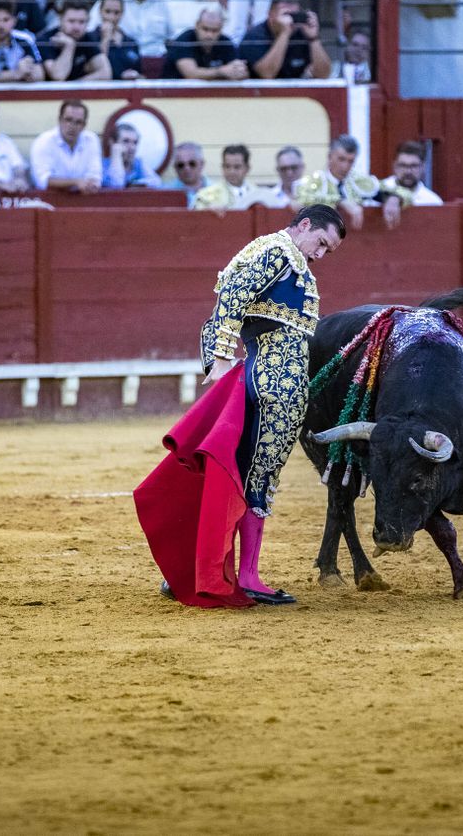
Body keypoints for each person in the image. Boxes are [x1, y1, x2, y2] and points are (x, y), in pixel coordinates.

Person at [136, 204, 346, 608]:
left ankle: (207, 568)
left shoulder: (289, 258)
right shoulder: (277, 251)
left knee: (245, 474)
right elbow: (231, 294)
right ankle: (244, 574)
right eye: (321, 243)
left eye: (328, 251)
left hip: (275, 379)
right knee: (253, 476)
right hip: (270, 382)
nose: (320, 254)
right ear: (304, 225)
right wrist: (217, 359)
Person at [294, 134, 412, 230]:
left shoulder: (360, 181)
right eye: (341, 159)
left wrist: (394, 198)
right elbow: (301, 200)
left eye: (350, 161)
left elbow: (406, 193)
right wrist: (340, 202)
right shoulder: (315, 180)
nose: (345, 166)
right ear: (330, 157)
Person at [239, 0, 331, 80]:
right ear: (270, 15)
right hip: (259, 95)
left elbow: (323, 75)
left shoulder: (301, 34)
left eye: (294, 15)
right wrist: (284, 34)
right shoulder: (255, 36)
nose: (290, 20)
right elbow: (267, 74)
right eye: (286, 15)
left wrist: (313, 39)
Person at [29, 99, 102, 194]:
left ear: (84, 125)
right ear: (60, 120)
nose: (72, 126)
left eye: (78, 122)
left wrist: (91, 184)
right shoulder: (44, 141)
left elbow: (95, 176)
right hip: (50, 201)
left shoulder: (91, 140)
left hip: (84, 199)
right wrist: (75, 182)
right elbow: (42, 180)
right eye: (68, 120)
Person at [36, 0, 109, 82]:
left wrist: (76, 86)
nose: (76, 27)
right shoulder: (45, 39)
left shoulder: (87, 38)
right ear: (60, 20)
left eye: (81, 22)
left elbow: (105, 73)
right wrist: (69, 46)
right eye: (71, 21)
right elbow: (58, 76)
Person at [166, 6, 247, 81]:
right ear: (197, 25)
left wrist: (239, 71)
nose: (209, 35)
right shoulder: (184, 40)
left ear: (221, 28)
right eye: (205, 29)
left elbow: (242, 72)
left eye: (214, 30)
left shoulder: (225, 42)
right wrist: (221, 71)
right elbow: (191, 74)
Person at [194, 144, 265, 211]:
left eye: (237, 167)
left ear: (247, 168)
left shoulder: (258, 194)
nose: (231, 171)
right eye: (227, 166)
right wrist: (208, 211)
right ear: (222, 167)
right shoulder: (207, 195)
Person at [91, 0, 142, 80]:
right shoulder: (89, 38)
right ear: (100, 11)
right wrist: (105, 39)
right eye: (107, 11)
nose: (111, 17)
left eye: (116, 12)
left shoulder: (131, 42)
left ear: (122, 13)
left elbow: (141, 74)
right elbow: (96, 68)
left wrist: (136, 75)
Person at [383, 141, 442, 206]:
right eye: (403, 165)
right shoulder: (376, 193)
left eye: (414, 166)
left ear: (423, 167)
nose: (408, 171)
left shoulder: (432, 201)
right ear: (395, 166)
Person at [102, 121, 157, 190]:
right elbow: (116, 184)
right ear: (113, 142)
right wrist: (116, 155)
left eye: (135, 142)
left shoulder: (138, 163)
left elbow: (156, 182)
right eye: (126, 141)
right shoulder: (102, 166)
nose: (132, 147)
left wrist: (134, 184)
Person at [164, 141, 209, 207]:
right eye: (181, 165)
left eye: (192, 163)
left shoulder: (218, 191)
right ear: (175, 167)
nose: (187, 168)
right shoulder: (165, 193)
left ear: (202, 164)